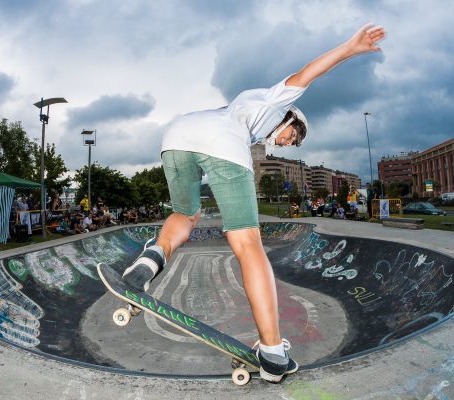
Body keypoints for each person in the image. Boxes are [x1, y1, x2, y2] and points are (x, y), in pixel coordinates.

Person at [121, 23, 386, 383]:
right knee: (247, 244)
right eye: (293, 136)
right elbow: (307, 73)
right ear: (291, 118)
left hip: (177, 137)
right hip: (223, 146)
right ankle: (274, 352)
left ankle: (150, 262)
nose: (287, 143)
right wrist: (350, 49)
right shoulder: (277, 101)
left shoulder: (240, 108)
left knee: (185, 213)